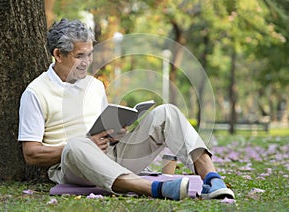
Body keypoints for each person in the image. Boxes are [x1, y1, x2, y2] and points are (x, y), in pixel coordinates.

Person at [18, 19, 235, 201]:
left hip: (113, 155)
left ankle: (213, 179)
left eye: (90, 54)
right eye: (80, 56)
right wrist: (86, 145)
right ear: (58, 54)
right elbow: (31, 154)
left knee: (167, 112)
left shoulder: (94, 85)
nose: (87, 62)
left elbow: (103, 127)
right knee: (77, 144)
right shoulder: (36, 92)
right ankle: (152, 189)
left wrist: (116, 133)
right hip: (75, 166)